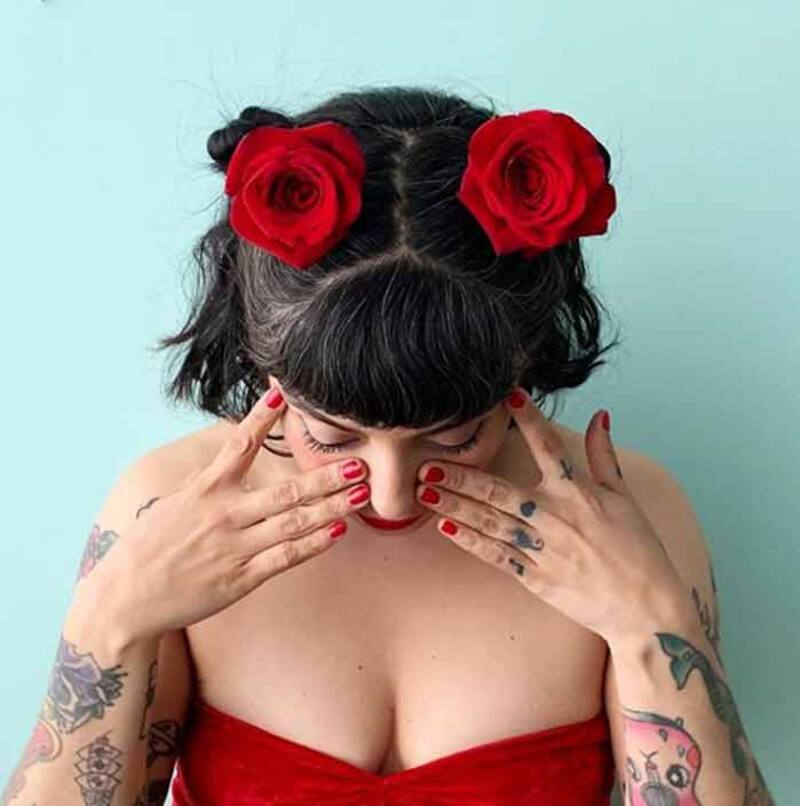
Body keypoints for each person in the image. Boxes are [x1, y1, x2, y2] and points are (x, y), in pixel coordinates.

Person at [2, 86, 773, 806]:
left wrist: (650, 623)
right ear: (267, 370)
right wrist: (109, 624)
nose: (392, 495)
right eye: (330, 434)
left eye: (456, 435)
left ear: (520, 371)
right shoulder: (168, 509)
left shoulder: (624, 515)